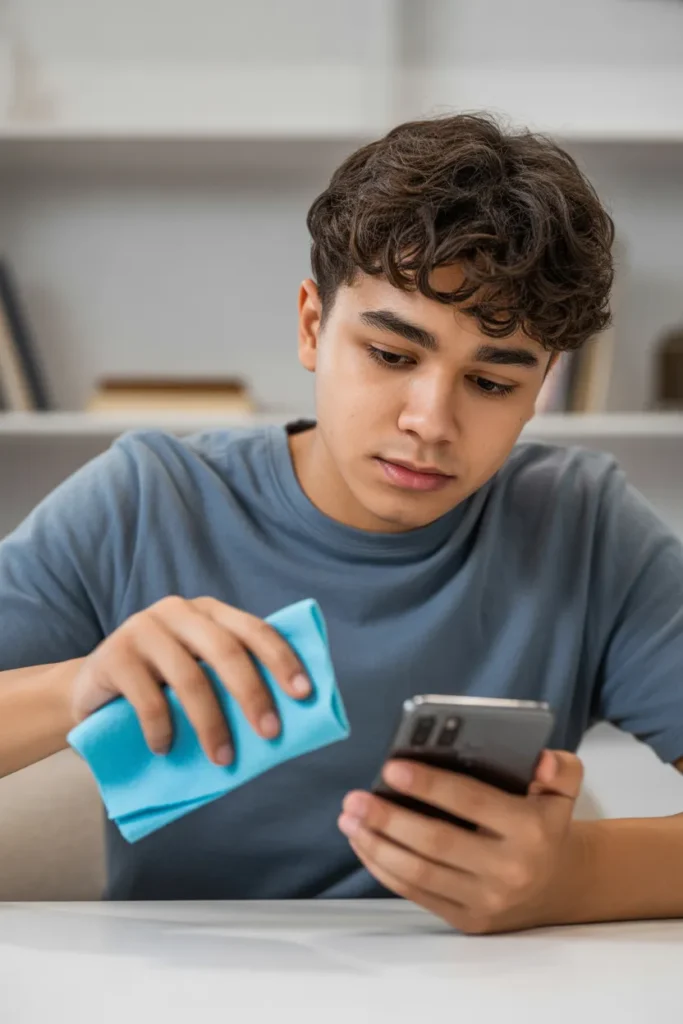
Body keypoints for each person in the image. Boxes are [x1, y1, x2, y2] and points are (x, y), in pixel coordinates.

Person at [0, 113, 681, 935]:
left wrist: (575, 875)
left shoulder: (584, 528)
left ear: (540, 389)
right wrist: (72, 688)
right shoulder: (146, 501)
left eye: (493, 383)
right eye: (392, 356)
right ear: (313, 326)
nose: (430, 421)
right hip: (176, 986)